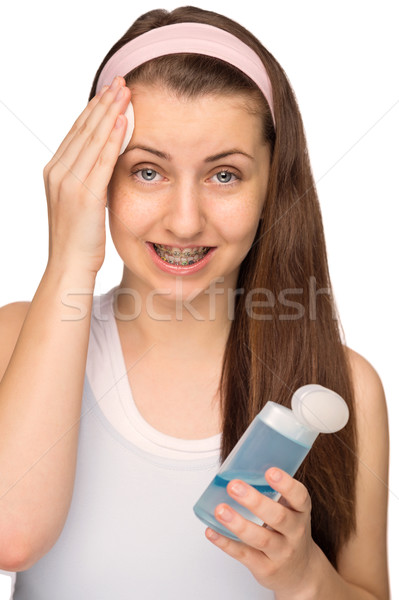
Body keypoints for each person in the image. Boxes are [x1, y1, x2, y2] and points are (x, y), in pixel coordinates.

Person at [0, 5, 390, 599]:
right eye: (147, 172)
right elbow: (12, 537)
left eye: (225, 176)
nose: (185, 222)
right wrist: (70, 259)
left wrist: (307, 579)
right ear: (97, 175)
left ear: (272, 185)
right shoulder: (18, 337)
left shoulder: (342, 387)